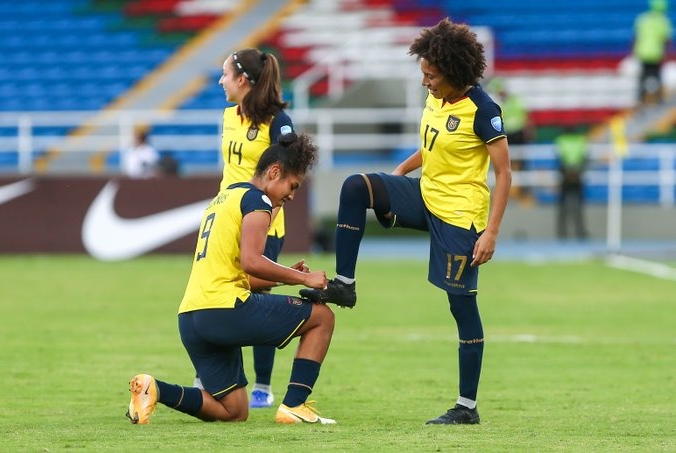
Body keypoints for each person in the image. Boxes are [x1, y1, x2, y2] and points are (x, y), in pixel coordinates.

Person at [301, 18, 512, 425]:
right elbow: (430, 147)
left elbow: (504, 172)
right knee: (357, 187)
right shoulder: (437, 99)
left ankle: (466, 407)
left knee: (461, 307)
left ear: (453, 72)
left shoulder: (483, 111)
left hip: (459, 217)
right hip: (424, 196)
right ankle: (344, 284)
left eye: (430, 75)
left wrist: (491, 232)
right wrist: (399, 173)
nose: (424, 82)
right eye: (423, 74)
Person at [126, 132, 338, 425]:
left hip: (191, 317)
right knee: (322, 318)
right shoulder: (258, 201)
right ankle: (294, 406)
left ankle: (155, 389)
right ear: (274, 172)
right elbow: (252, 262)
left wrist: (285, 277)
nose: (291, 195)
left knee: (234, 411)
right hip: (224, 310)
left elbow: (238, 273)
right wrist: (303, 279)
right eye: (293, 185)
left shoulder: (222, 199)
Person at [192, 47, 295, 408]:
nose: (220, 80)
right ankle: (214, 376)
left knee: (259, 301)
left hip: (261, 223)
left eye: (225, 74)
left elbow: (289, 161)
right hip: (225, 221)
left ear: (243, 81)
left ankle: (263, 387)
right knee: (220, 295)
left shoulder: (277, 121)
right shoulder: (227, 116)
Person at [633, 0, 673, 106]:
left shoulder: (642, 19)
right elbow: (666, 39)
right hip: (656, 53)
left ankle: (640, 98)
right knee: (657, 75)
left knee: (643, 75)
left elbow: (636, 37)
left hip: (643, 52)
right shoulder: (663, 21)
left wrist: (634, 51)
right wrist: (666, 53)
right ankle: (659, 98)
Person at [555, 128, 589, 240]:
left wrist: (568, 172)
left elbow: (559, 158)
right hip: (575, 176)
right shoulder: (581, 140)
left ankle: (563, 234)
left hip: (567, 176)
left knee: (566, 207)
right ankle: (578, 233)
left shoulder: (561, 140)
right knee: (574, 207)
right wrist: (576, 172)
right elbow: (584, 158)